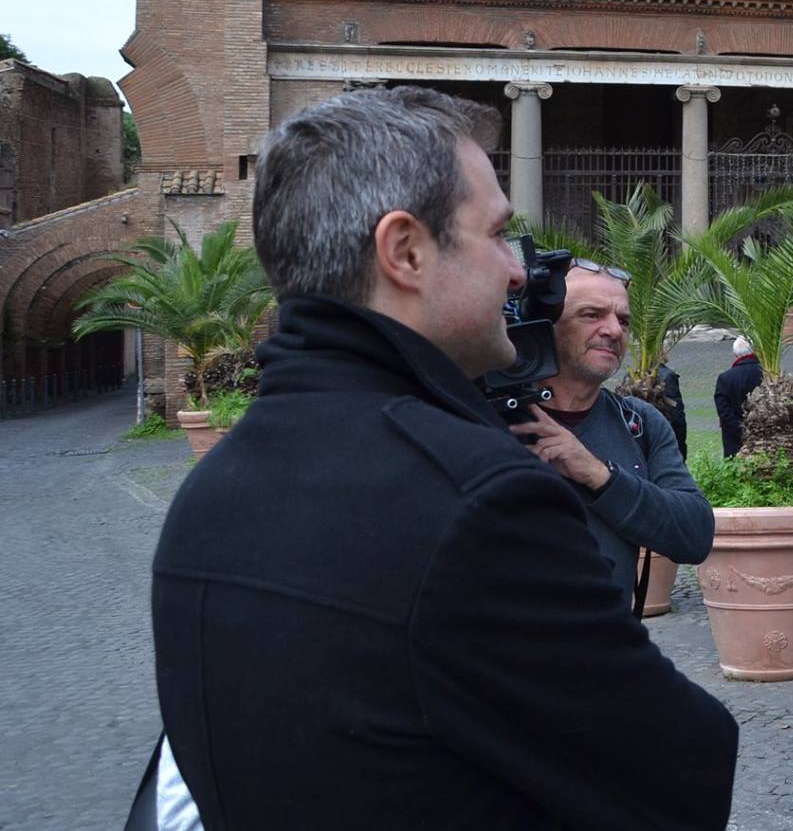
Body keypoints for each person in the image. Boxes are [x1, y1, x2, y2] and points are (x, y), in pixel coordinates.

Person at [147, 87, 736, 830]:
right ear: (406, 252)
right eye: (496, 235)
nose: (520, 275)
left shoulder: (208, 491)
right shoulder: (479, 500)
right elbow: (683, 769)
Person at [523, 260, 714, 607]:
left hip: (605, 655)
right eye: (591, 315)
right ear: (543, 325)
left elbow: (695, 534)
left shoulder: (640, 423)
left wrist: (600, 476)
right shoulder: (487, 416)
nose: (613, 330)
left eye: (623, 320)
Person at [715, 334, 764, 457]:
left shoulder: (725, 378)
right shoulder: (767, 375)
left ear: (735, 355)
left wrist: (740, 428)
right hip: (765, 435)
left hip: (734, 438)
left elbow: (723, 410)